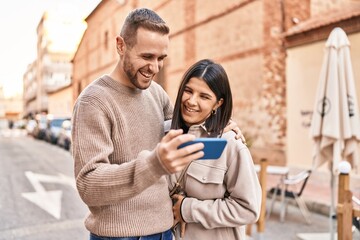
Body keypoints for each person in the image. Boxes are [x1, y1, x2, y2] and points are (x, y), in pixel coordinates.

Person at [72, 8, 243, 240]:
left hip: (164, 232)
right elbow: (89, 185)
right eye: (146, 57)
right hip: (119, 236)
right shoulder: (93, 102)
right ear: (121, 45)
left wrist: (220, 124)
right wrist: (154, 164)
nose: (155, 67)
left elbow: (185, 129)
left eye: (161, 58)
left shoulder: (156, 93)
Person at [168, 59, 262, 240]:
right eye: (188, 91)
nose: (191, 101)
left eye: (204, 96)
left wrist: (187, 209)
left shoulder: (230, 144)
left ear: (218, 104)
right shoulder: (167, 136)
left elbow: (248, 209)